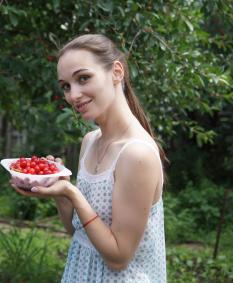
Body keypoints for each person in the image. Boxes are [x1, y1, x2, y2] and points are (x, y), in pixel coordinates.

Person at [10, 34, 168, 282]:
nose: (73, 95)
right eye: (66, 86)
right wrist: (60, 192)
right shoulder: (90, 141)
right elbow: (78, 232)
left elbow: (118, 257)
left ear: (117, 72)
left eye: (83, 78)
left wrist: (73, 193)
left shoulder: (137, 154)